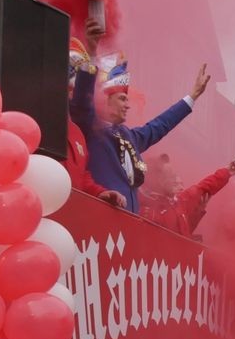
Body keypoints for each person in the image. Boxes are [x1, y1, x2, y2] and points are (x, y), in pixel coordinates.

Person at [69, 17, 210, 214]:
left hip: (128, 227)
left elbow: (161, 125)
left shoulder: (131, 136)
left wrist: (192, 97)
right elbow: (83, 99)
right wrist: (92, 52)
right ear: (104, 100)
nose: (128, 105)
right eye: (122, 99)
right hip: (99, 220)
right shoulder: (91, 127)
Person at [65, 33, 127, 208]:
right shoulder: (38, 122)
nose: (73, 94)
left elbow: (82, 177)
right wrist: (92, 53)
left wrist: (100, 192)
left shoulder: (78, 133)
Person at [138, 152, 235, 238]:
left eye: (174, 175)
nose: (175, 180)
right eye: (170, 177)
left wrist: (228, 171)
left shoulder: (178, 202)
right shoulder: (146, 211)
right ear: (157, 180)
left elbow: (204, 187)